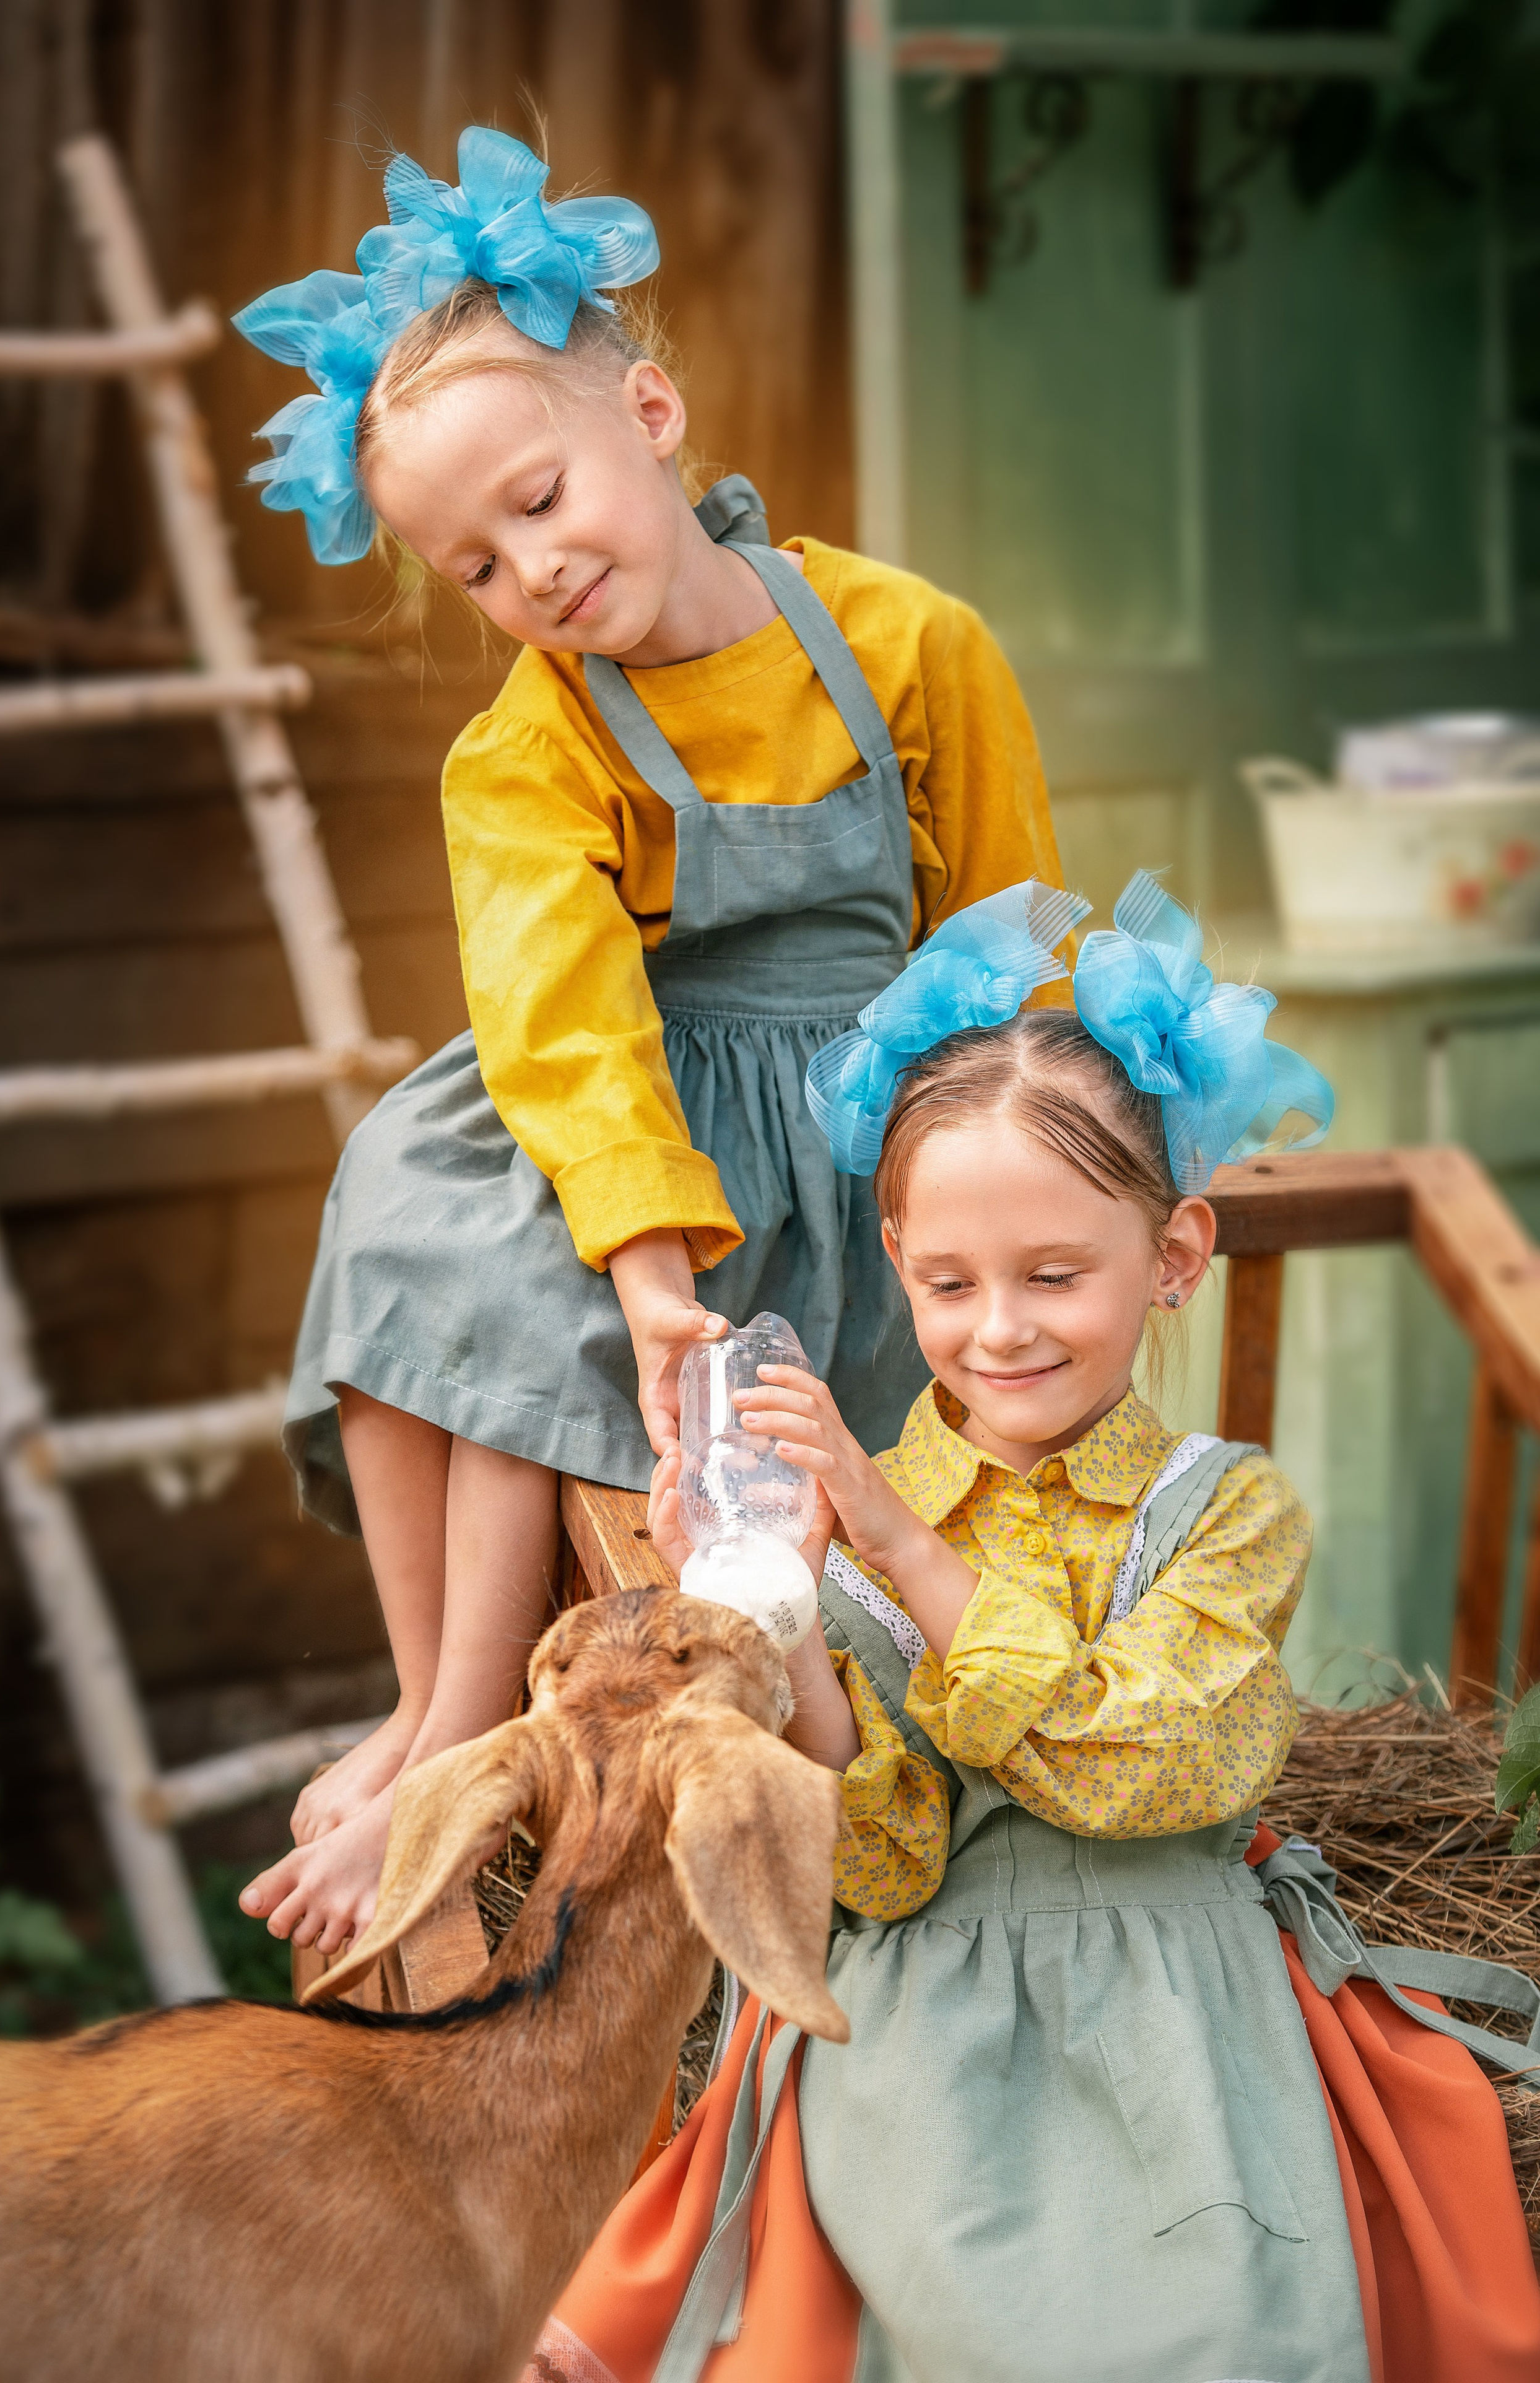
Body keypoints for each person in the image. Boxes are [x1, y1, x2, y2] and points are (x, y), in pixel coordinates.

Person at [225, 129, 1071, 1956]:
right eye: (472, 564)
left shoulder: (909, 642)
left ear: (656, 415)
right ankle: (441, 1715)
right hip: (644, 1112)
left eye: (539, 499)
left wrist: (1022, 1150)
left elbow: (1008, 936)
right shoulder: (526, 751)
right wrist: (647, 1250)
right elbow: (562, 1020)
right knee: (414, 1192)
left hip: (856, 1122)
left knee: (532, 1266)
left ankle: (471, 1735)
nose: (526, 568)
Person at [534, 878, 1540, 2382]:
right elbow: (880, 1866)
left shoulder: (1220, 1512)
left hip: (1170, 2010)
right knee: (938, 2311)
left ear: (1174, 1255)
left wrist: (889, 1540)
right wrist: (784, 1607)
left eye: (1053, 1276)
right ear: (896, 1265)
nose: (998, 1327)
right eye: (947, 1283)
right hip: (928, 2017)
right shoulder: (853, 1518)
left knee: (1203, 2332)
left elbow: (1146, 1769)